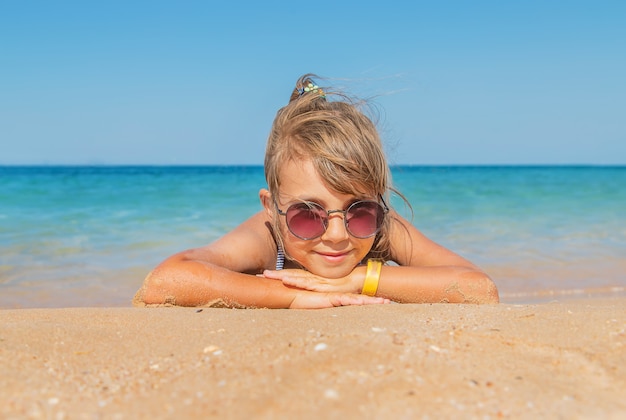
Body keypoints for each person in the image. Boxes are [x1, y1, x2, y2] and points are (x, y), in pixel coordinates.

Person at [134, 74, 499, 309]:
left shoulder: (383, 228)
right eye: (308, 215)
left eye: (359, 210)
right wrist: (292, 296)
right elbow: (164, 282)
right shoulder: (267, 235)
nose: (338, 234)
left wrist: (358, 280)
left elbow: (479, 289)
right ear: (272, 208)